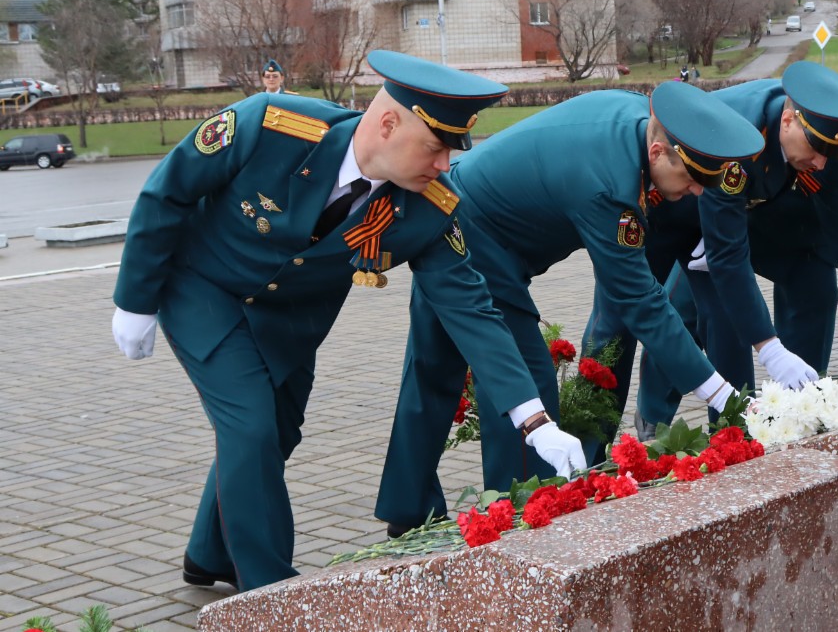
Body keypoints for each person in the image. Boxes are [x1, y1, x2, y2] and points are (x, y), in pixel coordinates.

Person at [109, 50, 586, 593]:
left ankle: (208, 554)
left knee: (276, 434)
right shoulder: (269, 125)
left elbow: (472, 311)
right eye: (434, 147)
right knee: (251, 426)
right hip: (204, 290)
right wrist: (135, 299)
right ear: (388, 124)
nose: (443, 165)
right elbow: (168, 190)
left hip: (290, 323)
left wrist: (534, 420)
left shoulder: (429, 206)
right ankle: (270, 594)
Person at [376, 81, 766, 529]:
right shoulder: (609, 187)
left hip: (451, 208)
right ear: (658, 152)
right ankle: (522, 520)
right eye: (692, 179)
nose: (697, 192)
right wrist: (718, 391)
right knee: (527, 377)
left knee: (432, 369)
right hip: (478, 236)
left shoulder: (635, 120)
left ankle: (408, 512)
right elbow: (640, 300)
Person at [623, 61, 838, 433]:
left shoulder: (799, 139)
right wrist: (771, 349)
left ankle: (741, 426)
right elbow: (725, 238)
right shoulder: (749, 127)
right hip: (676, 210)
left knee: (728, 317)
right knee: (677, 315)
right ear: (789, 121)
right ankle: (653, 412)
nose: (820, 162)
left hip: (726, 218)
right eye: (816, 148)